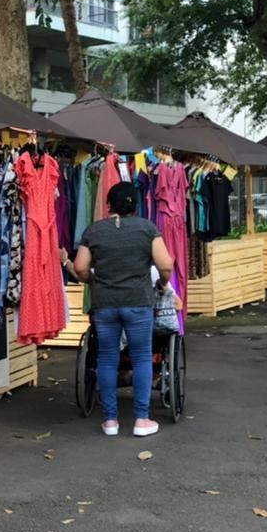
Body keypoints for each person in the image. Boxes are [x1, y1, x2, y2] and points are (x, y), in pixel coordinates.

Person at [62, 182, 174, 437]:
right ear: (135, 205)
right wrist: (161, 283)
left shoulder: (94, 231)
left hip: (105, 304)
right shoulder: (147, 229)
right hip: (138, 303)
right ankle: (141, 420)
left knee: (107, 358)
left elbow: (80, 268)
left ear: (108, 204)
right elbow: (166, 265)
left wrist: (94, 281)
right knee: (142, 357)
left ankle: (110, 421)